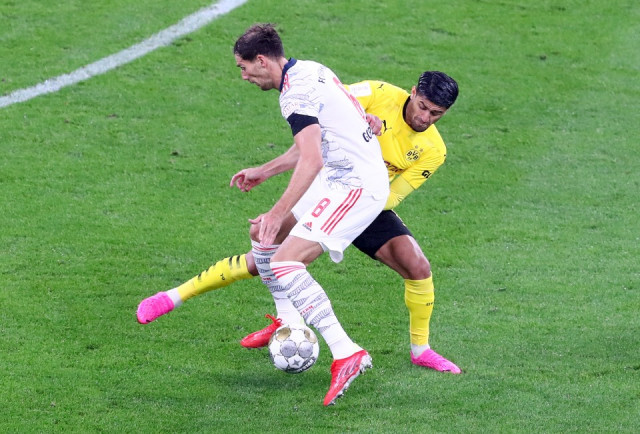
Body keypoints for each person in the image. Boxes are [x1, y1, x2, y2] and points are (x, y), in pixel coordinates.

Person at [137, 71, 461, 377]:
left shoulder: (434, 150)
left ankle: (421, 350)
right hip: (328, 186)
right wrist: (361, 122)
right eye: (423, 107)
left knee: (418, 267)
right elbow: (319, 124)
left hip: (369, 202)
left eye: (436, 114)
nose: (425, 118)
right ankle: (173, 297)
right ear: (413, 92)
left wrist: (352, 204)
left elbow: (392, 197)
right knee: (266, 255)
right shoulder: (376, 93)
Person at [140, 23, 390, 406]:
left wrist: (278, 211)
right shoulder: (307, 70)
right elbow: (313, 142)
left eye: (243, 68)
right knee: (263, 236)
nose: (243, 76)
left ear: (261, 60)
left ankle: (346, 352)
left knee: (286, 260)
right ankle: (289, 321)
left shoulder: (293, 94)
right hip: (341, 175)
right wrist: (265, 171)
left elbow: (312, 159)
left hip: (355, 185)